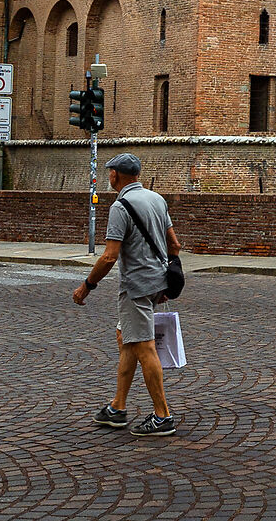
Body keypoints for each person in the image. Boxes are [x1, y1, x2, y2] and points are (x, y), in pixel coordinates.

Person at [72, 153, 177, 437]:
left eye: (110, 173)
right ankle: (117, 408)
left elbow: (109, 257)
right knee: (126, 339)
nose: (109, 177)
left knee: (144, 347)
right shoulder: (157, 199)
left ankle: (162, 415)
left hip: (136, 287)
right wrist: (162, 281)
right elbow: (174, 244)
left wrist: (86, 286)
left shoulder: (121, 206)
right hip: (155, 283)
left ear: (116, 175)